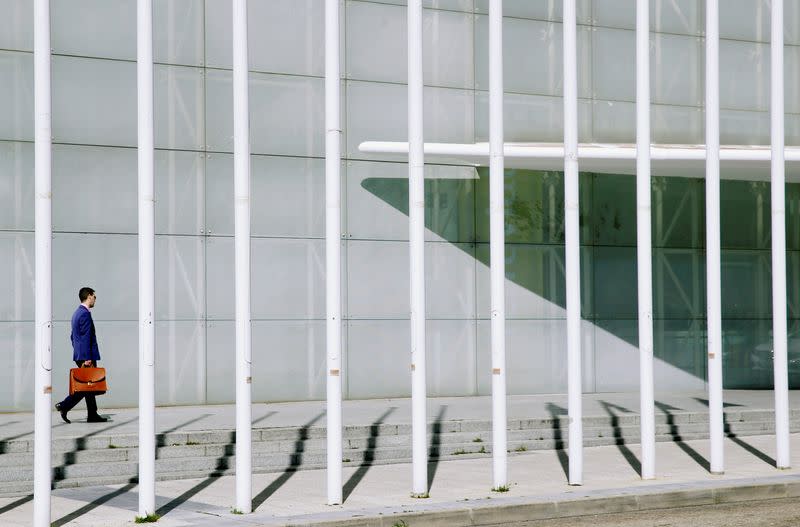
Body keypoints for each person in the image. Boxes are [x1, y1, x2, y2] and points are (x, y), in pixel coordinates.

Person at [55, 287, 108, 423]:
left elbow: (72, 337)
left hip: (80, 355)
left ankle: (92, 414)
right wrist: (87, 358)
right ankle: (64, 405)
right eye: (94, 297)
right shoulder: (84, 314)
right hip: (86, 357)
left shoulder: (76, 313)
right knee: (86, 386)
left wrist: (78, 352)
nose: (95, 299)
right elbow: (86, 337)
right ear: (89, 296)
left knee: (89, 386)